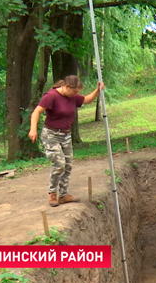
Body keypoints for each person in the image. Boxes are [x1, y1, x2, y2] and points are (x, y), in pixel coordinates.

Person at [28, 75, 104, 207]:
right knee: (59, 164)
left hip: (66, 135)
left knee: (68, 165)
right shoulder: (51, 96)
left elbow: (86, 100)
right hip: (51, 135)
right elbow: (36, 112)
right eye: (74, 91)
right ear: (67, 86)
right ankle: (52, 193)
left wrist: (97, 90)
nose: (76, 95)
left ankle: (63, 195)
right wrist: (33, 129)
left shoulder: (72, 97)